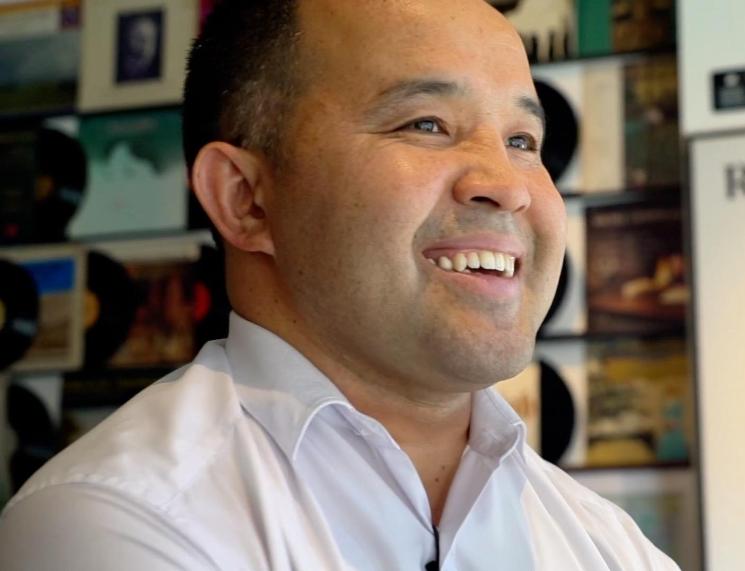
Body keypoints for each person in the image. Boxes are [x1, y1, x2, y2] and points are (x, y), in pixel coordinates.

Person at [0, 1, 680, 569]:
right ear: (245, 198)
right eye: (427, 124)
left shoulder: (609, 544)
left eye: (523, 141)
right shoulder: (116, 518)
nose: (507, 186)